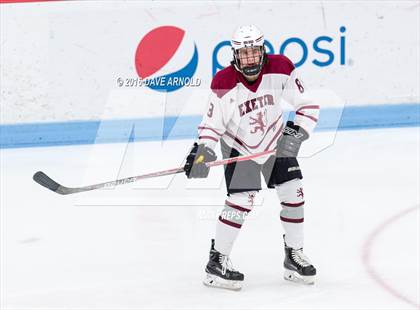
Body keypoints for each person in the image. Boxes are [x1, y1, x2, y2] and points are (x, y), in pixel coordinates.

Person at [184, 25, 320, 290]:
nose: (250, 59)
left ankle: (293, 256)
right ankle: (217, 262)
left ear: (262, 51)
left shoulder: (281, 67)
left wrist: (298, 132)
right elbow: (212, 125)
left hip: (275, 142)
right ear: (235, 55)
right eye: (243, 54)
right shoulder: (223, 81)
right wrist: (203, 150)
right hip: (239, 145)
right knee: (240, 202)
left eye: (254, 53)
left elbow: (308, 104)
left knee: (294, 194)